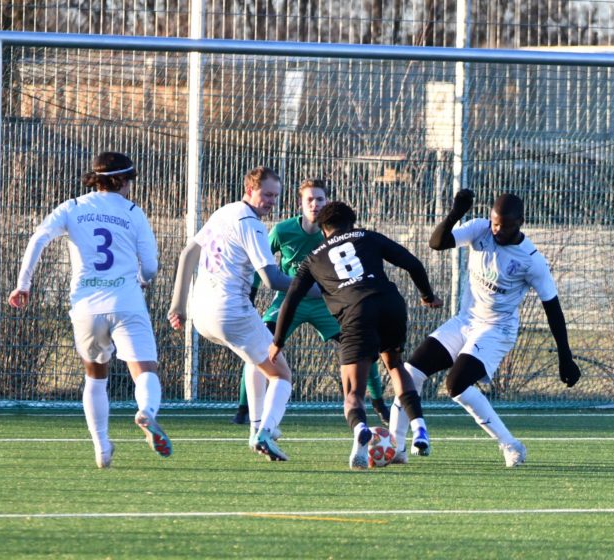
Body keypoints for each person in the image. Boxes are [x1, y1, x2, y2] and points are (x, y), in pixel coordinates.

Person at [390, 189, 581, 467]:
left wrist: (565, 357)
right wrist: (456, 212)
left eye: (505, 225)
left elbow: (553, 309)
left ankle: (511, 445)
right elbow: (436, 243)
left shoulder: (532, 260)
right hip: (465, 321)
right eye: (494, 223)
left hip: (496, 330)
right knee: (410, 373)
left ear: (521, 222)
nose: (497, 230)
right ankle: (396, 449)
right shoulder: (480, 229)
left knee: (456, 385)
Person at [8, 151, 171, 469]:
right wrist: (141, 278)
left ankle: (102, 448)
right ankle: (146, 413)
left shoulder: (73, 207)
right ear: (122, 180)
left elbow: (39, 238)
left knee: (96, 378)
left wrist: (23, 284)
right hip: (126, 302)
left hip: (86, 306)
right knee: (145, 371)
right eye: (129, 182)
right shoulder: (134, 212)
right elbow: (150, 267)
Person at [269, 201, 443, 469]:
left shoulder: (313, 259)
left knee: (353, 391)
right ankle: (419, 427)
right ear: (352, 223)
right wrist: (427, 295)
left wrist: (278, 341)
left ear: (323, 230)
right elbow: (413, 264)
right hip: (390, 302)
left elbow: (290, 299)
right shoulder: (368, 236)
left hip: (356, 312)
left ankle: (361, 431)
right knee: (394, 364)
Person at [168, 166, 320, 462]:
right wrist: (323, 290)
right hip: (230, 312)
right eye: (266, 194)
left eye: (275, 196)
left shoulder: (224, 211)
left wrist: (178, 305)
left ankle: (257, 429)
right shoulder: (251, 224)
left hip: (201, 314)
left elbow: (188, 254)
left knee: (258, 361)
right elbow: (273, 280)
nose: (271, 201)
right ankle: (266, 429)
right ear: (249, 190)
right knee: (283, 376)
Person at [231, 179, 391, 427]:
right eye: (310, 199)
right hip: (287, 302)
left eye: (320, 199)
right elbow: (258, 263)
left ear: (327, 203)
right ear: (300, 203)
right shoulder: (282, 231)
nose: (315, 204)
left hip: (325, 304)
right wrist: (250, 295)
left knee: (361, 345)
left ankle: (380, 403)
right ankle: (244, 409)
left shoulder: (336, 235)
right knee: (260, 344)